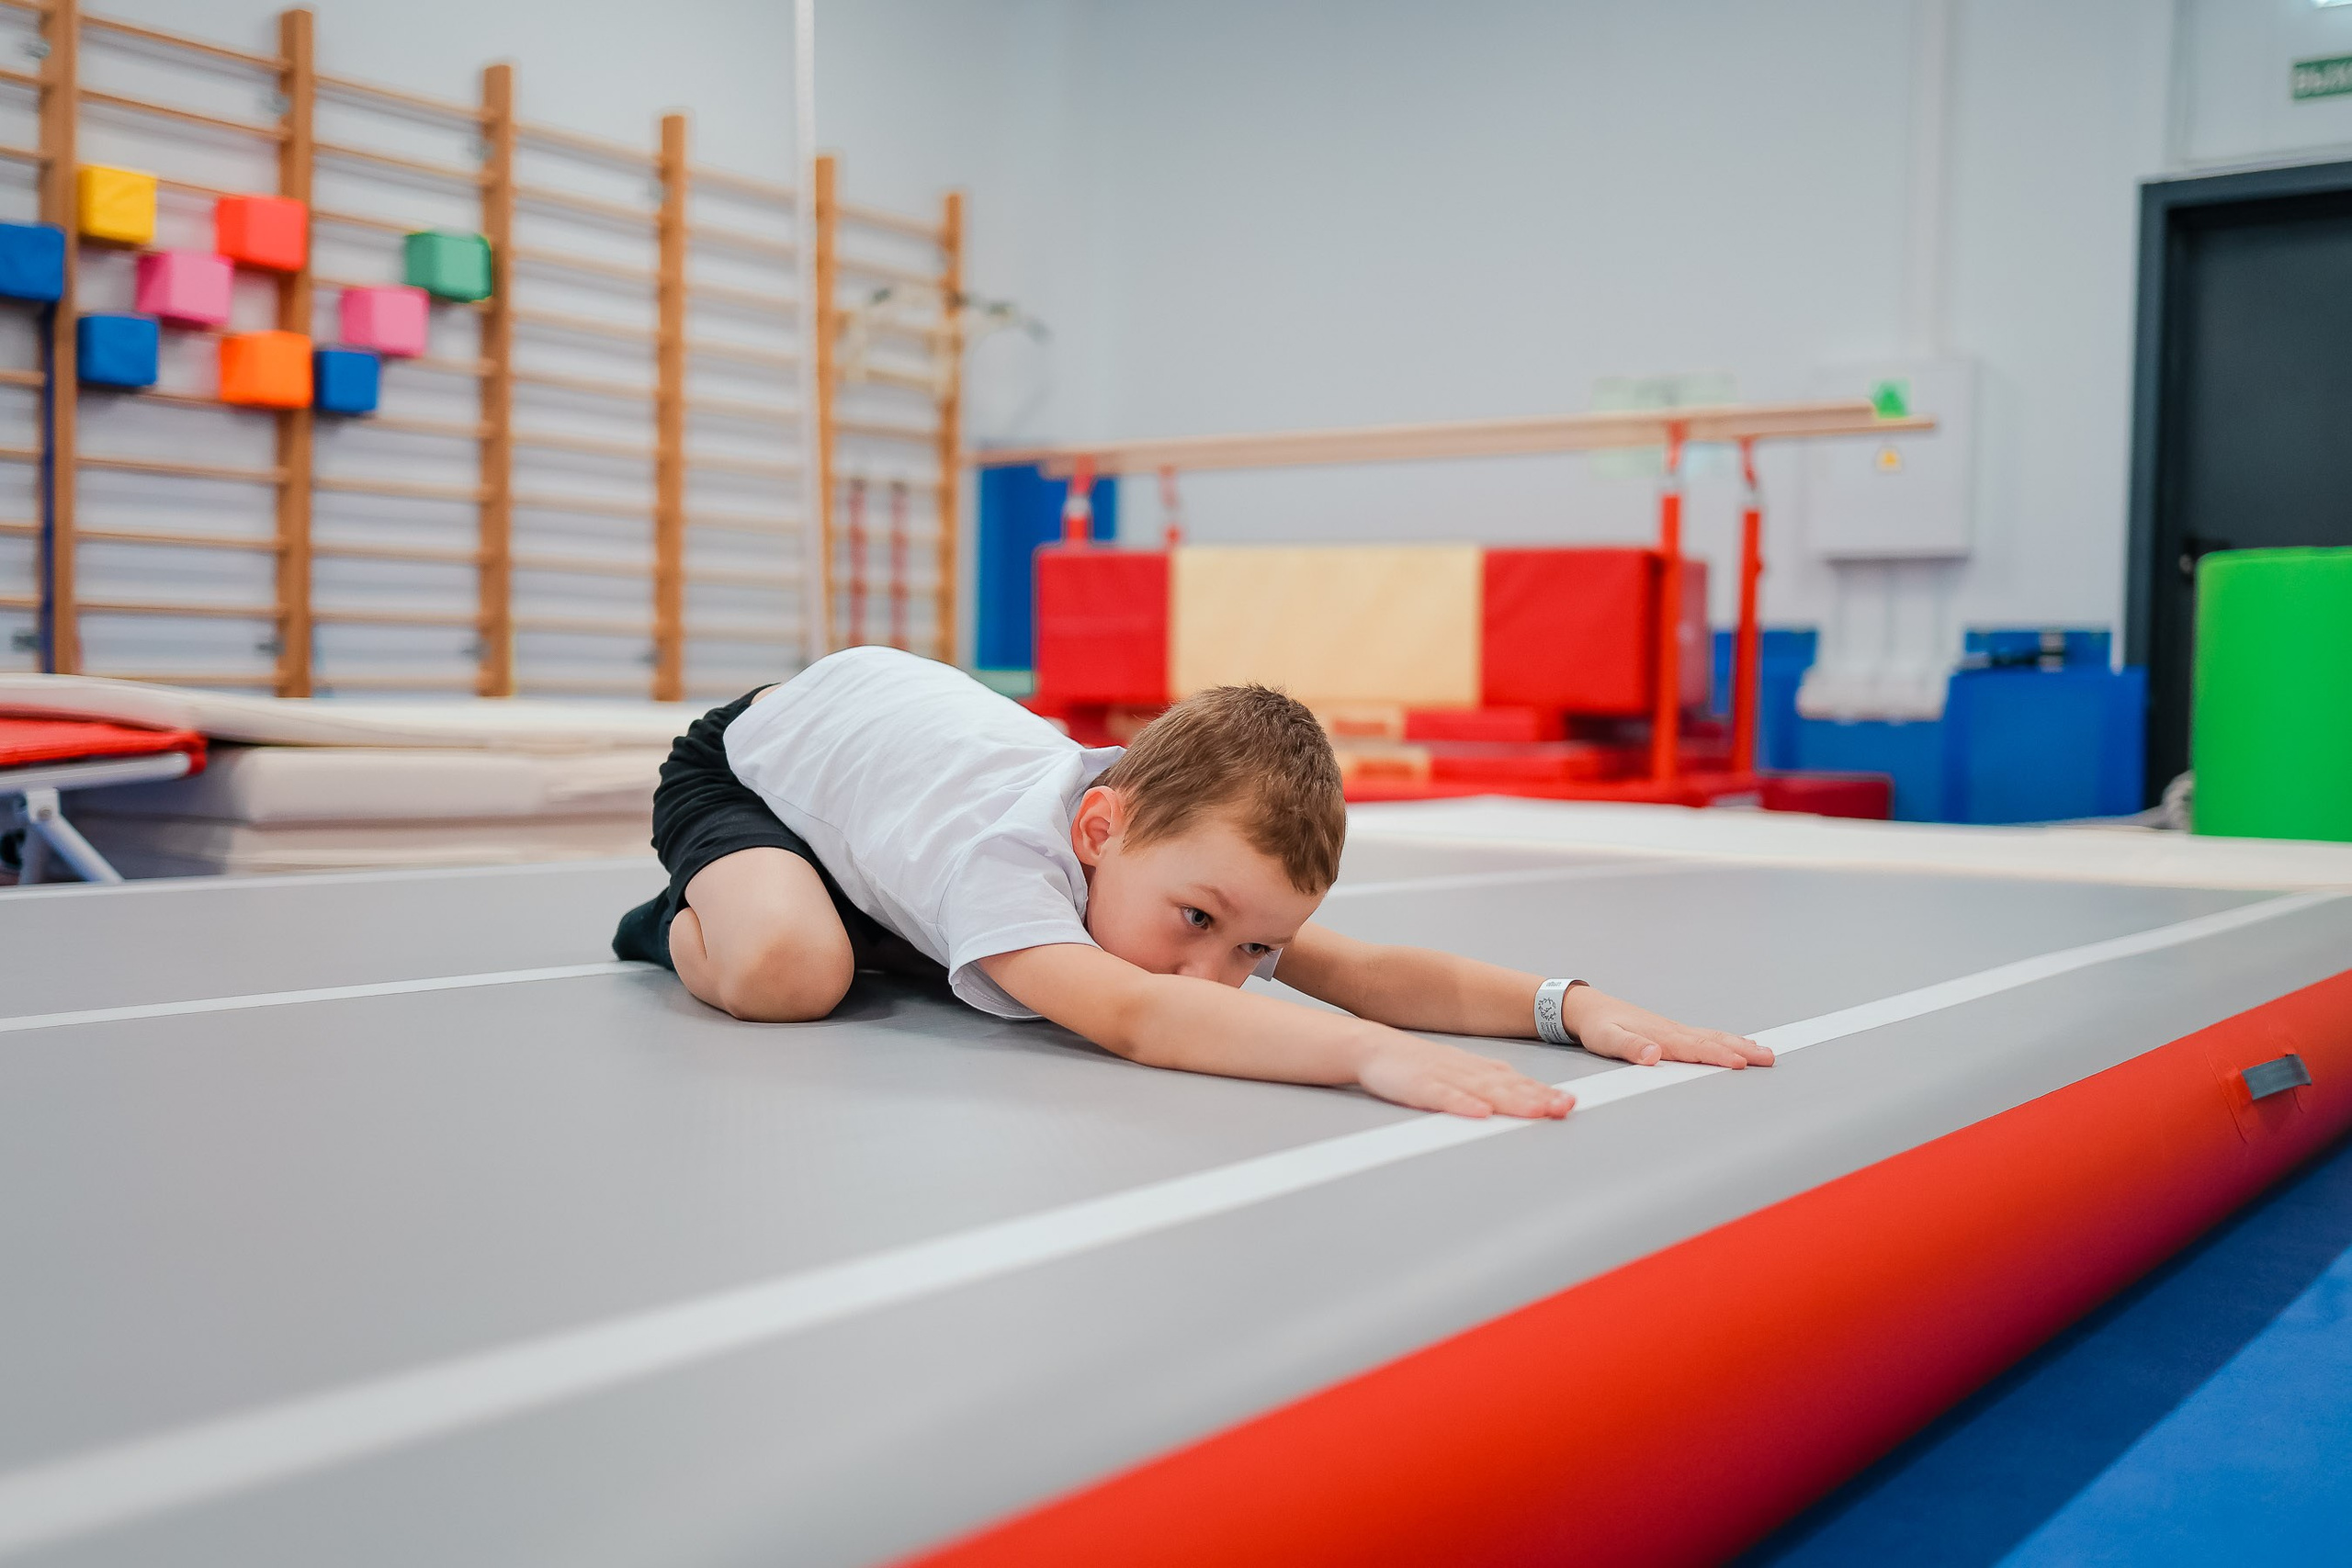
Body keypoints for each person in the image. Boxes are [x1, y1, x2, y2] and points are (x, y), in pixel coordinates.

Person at [614, 647, 1770, 1118]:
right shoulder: (1009, 855)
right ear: (1098, 831)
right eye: (1200, 923)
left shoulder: (1174, 861)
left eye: (1252, 949)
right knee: (791, 971)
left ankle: (883, 919)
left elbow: (1364, 969)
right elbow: (1138, 1017)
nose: (1215, 976)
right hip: (760, 766)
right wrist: (1368, 1058)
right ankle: (682, 915)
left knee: (984, 951)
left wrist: (1570, 1008)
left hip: (896, 773)